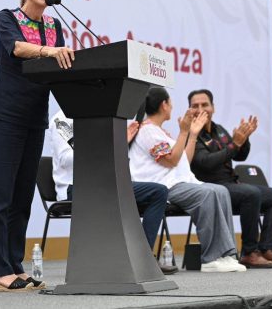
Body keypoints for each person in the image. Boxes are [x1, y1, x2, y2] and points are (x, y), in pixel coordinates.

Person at [0, 0, 75, 291]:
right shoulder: (8, 18)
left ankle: (14, 265)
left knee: (22, 198)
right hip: (4, 117)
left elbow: (59, 66)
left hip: (35, 119)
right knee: (0, 196)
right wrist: (50, 51)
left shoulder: (54, 25)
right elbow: (18, 49)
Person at [128, 87, 247, 273]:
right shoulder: (148, 131)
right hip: (165, 186)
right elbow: (171, 160)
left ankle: (227, 254)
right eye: (170, 102)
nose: (172, 106)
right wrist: (183, 132)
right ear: (164, 105)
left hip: (179, 183)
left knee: (221, 191)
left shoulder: (160, 131)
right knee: (207, 194)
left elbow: (184, 161)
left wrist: (192, 134)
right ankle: (211, 258)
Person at [48, 109, 178, 274]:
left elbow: (107, 155)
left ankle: (142, 258)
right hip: (75, 186)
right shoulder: (61, 119)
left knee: (158, 192)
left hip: (105, 182)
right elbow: (65, 159)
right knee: (118, 196)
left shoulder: (95, 115)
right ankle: (129, 261)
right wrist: (104, 148)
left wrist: (119, 144)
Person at [188, 89, 272, 268]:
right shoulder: (191, 134)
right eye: (195, 106)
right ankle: (249, 252)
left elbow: (239, 156)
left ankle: (267, 249)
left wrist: (244, 140)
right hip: (210, 188)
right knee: (250, 193)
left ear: (213, 107)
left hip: (230, 185)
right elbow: (205, 162)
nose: (200, 109)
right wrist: (234, 144)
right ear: (189, 110)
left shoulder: (219, 130)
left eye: (205, 104)